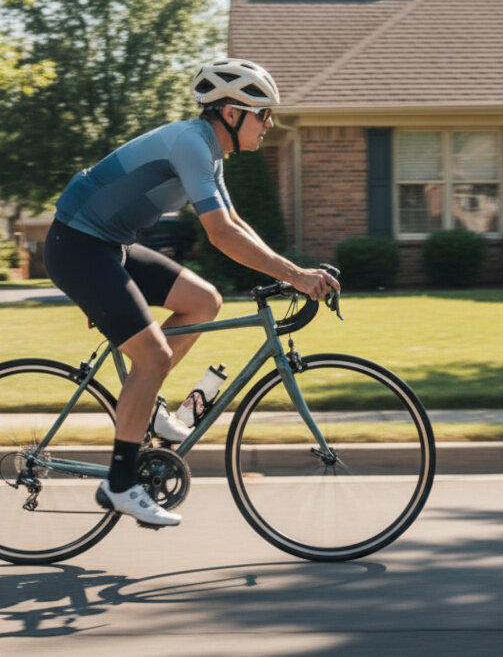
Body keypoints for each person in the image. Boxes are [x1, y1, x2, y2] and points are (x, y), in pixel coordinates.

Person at [43, 58, 339, 528]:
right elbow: (220, 234)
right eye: (263, 114)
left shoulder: (209, 151)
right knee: (154, 358)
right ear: (231, 112)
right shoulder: (191, 145)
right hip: (79, 247)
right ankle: (119, 484)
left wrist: (293, 271)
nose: (268, 125)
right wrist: (298, 277)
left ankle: (147, 405)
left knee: (205, 301)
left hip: (108, 246)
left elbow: (235, 223)